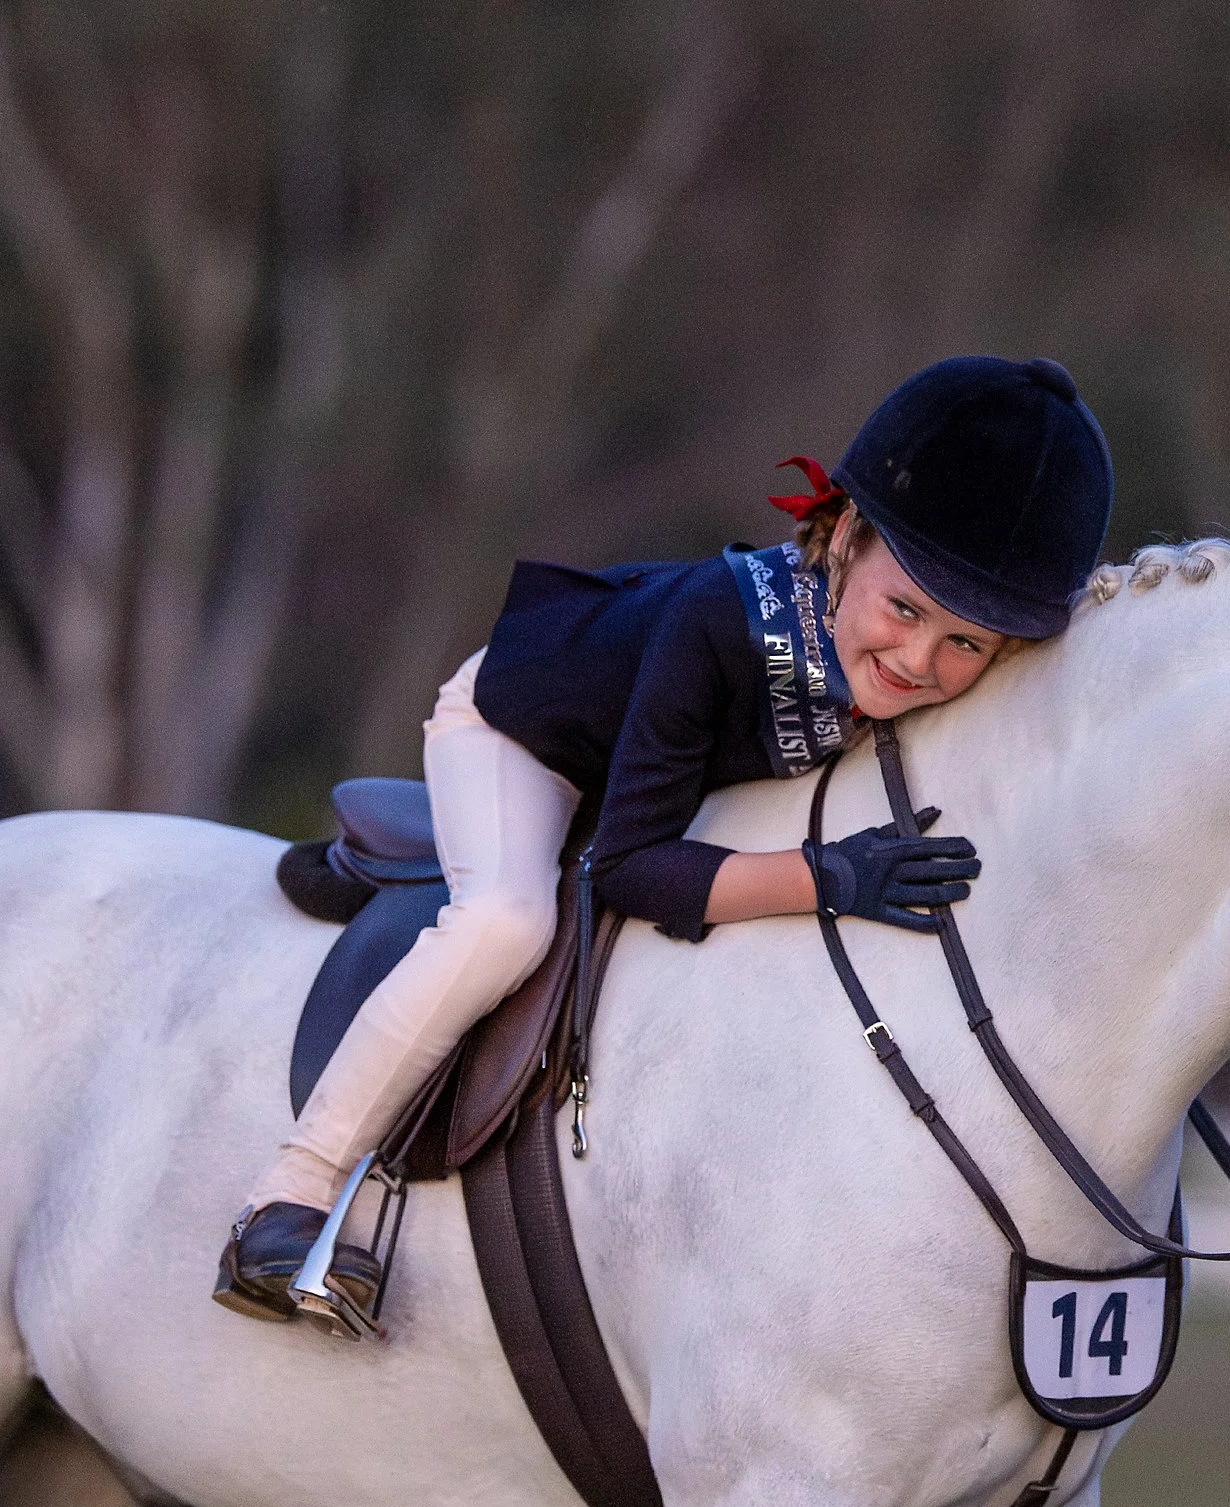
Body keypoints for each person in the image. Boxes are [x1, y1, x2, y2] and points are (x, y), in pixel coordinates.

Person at [214, 355, 1114, 1330]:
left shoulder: (895, 658)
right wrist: (829, 878)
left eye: (966, 643)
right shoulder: (718, 623)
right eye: (905, 609)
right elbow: (631, 867)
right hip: (526, 732)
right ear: (849, 536)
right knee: (506, 921)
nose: (918, 662)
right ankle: (291, 1192)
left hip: (662, 765)